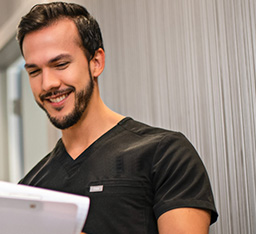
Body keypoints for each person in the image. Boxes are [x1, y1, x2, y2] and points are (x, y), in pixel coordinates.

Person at [16, 2, 217, 234]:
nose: (47, 83)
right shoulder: (30, 189)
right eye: (34, 72)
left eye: (60, 64)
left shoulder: (164, 154)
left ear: (96, 62)